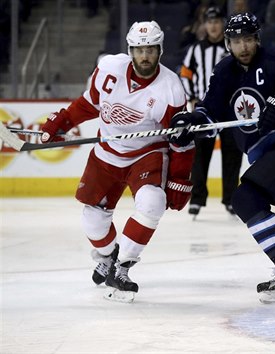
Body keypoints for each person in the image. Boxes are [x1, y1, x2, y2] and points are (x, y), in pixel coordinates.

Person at [170, 12, 275, 301]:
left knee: (247, 198)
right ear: (228, 44)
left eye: (248, 39)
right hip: (272, 155)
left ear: (257, 39)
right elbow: (210, 114)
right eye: (237, 41)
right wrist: (191, 123)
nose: (244, 47)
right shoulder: (224, 72)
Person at [39, 21, 192, 302]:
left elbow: (181, 140)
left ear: (160, 50)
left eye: (150, 49)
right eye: (138, 50)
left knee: (152, 202)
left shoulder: (170, 89)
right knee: (92, 221)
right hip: (106, 152)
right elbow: (88, 104)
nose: (144, 56)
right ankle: (108, 257)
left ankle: (122, 268)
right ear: (130, 50)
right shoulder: (109, 68)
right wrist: (61, 122)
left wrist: (179, 179)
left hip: (146, 154)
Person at [180, 6, 243, 217]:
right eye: (210, 22)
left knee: (232, 154)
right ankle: (197, 199)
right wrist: (192, 98)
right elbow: (185, 74)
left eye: (217, 22)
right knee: (199, 155)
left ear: (222, 24)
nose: (213, 26)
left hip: (229, 109)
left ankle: (231, 199)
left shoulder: (232, 49)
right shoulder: (195, 49)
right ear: (205, 25)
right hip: (203, 109)